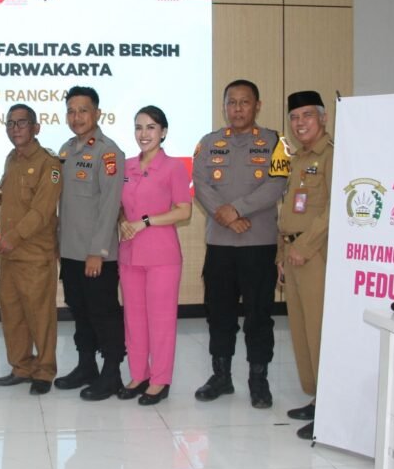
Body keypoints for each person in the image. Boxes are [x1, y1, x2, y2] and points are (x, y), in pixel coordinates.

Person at [193, 79, 286, 409]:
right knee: (219, 314)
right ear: (224, 107)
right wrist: (228, 217)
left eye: (244, 102)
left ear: (257, 106)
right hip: (220, 243)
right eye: (231, 102)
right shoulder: (209, 142)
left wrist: (238, 209)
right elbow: (200, 184)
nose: (237, 108)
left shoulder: (275, 142)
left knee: (259, 315)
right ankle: (221, 376)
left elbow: (277, 184)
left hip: (258, 243)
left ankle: (258, 380)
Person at [116, 106, 192, 405]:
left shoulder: (173, 167)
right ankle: (139, 374)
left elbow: (184, 211)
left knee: (160, 321)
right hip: (129, 253)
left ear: (163, 132)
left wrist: (145, 222)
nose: (143, 134)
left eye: (150, 127)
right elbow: (120, 205)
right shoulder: (126, 166)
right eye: (138, 127)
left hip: (161, 254)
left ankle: (160, 380)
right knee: (133, 319)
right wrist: (124, 220)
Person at [54, 86, 126, 401]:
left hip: (96, 255)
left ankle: (112, 373)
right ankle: (86, 367)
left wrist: (97, 251)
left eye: (83, 110)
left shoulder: (108, 153)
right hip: (70, 251)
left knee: (103, 314)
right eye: (71, 111)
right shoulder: (66, 150)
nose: (77, 117)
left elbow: (110, 206)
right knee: (80, 312)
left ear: (97, 113)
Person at [0, 104, 62, 395]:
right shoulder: (12, 158)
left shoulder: (49, 164)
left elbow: (41, 211)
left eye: (21, 123)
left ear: (36, 127)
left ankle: (44, 371)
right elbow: (10, 197)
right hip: (10, 254)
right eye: (10, 123)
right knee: (13, 315)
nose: (15, 128)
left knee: (40, 317)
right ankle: (21, 367)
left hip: (34, 255)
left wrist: (14, 237)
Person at [277, 90, 333, 440]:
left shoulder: (332, 155)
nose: (300, 123)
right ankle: (316, 398)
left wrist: (305, 246)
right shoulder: (297, 158)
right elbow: (289, 210)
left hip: (316, 255)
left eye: (307, 115)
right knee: (300, 331)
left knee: (319, 330)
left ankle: (330, 407)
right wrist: (282, 254)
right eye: (294, 117)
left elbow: (336, 207)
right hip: (293, 253)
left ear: (323, 118)